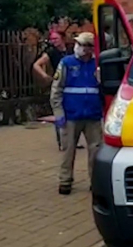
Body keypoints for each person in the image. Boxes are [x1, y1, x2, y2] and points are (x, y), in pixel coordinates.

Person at [50, 32, 103, 195]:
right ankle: (65, 180)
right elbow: (56, 90)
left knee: (96, 151)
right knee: (68, 150)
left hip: (93, 115)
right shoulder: (66, 63)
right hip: (71, 115)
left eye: (83, 45)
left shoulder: (97, 65)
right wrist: (58, 113)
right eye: (78, 44)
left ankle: (96, 182)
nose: (79, 47)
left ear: (90, 48)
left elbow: (104, 89)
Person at [33, 30, 73, 151]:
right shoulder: (51, 53)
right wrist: (44, 76)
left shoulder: (71, 50)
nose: (53, 41)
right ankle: (62, 141)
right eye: (52, 39)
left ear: (63, 38)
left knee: (72, 112)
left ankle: (72, 140)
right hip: (60, 83)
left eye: (56, 39)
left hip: (72, 83)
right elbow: (36, 64)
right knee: (59, 113)